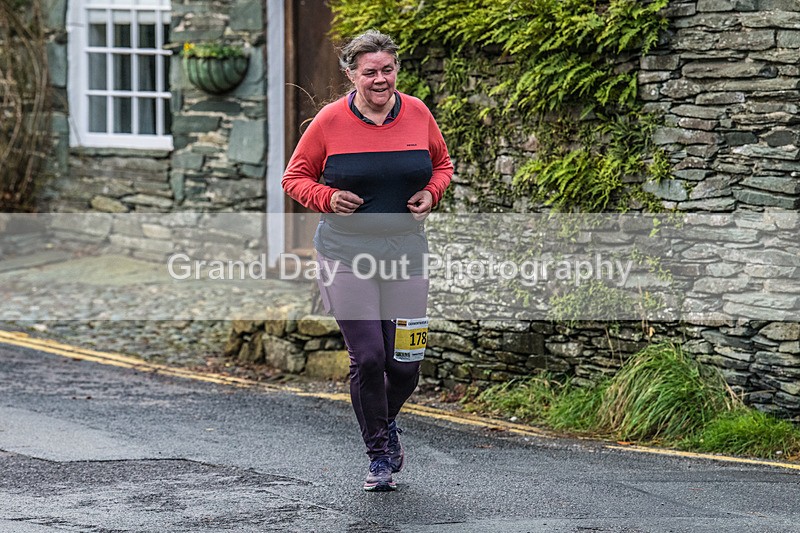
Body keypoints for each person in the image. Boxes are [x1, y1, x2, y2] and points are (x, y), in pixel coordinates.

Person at [282, 30, 453, 492]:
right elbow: (294, 177)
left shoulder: (417, 112)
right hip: (345, 253)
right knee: (369, 356)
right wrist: (328, 195)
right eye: (370, 71)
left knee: (406, 362)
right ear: (351, 74)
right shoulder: (329, 121)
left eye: (388, 69)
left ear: (396, 68)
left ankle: (384, 420)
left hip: (406, 253)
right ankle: (379, 452)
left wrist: (431, 192)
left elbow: (443, 165)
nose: (381, 79)